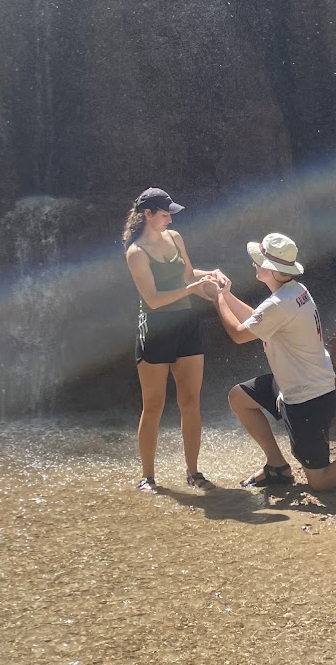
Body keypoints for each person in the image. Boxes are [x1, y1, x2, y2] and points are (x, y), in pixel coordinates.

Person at [209, 232, 336, 492]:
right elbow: (259, 321)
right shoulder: (295, 291)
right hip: (296, 384)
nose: (254, 263)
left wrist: (218, 299)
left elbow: (239, 335)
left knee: (320, 481)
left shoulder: (279, 303)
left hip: (308, 398)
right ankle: (277, 467)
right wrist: (227, 294)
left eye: (259, 260)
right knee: (239, 397)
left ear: (272, 270)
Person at [123, 187, 226, 493]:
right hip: (155, 327)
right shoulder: (136, 253)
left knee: (191, 401)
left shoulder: (176, 238)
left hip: (186, 324)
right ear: (148, 214)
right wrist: (192, 289)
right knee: (153, 405)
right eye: (165, 214)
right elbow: (153, 299)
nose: (169, 219)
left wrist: (212, 275)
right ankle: (148, 477)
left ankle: (193, 473)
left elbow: (189, 274)